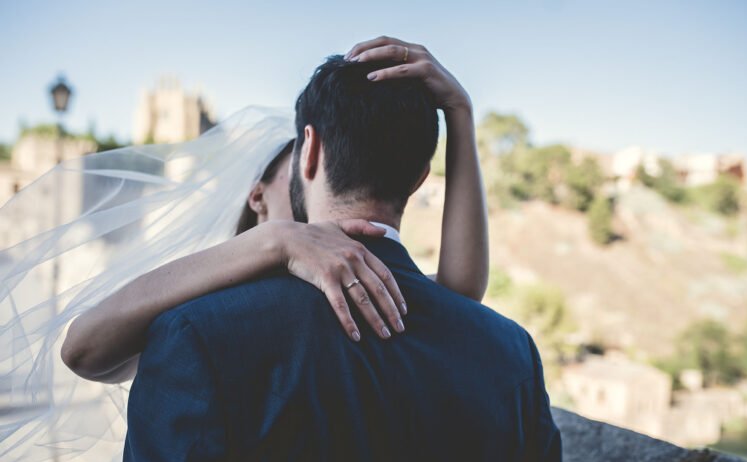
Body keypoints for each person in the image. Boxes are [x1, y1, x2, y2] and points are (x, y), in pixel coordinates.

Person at [122, 36, 566, 462]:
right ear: (420, 178)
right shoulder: (511, 352)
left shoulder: (195, 335)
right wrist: (461, 113)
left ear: (309, 150)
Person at [60, 39, 488, 385]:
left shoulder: (357, 274)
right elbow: (83, 348)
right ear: (257, 197)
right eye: (292, 171)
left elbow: (459, 291)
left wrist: (461, 113)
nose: (307, 185)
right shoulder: (204, 308)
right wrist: (276, 238)